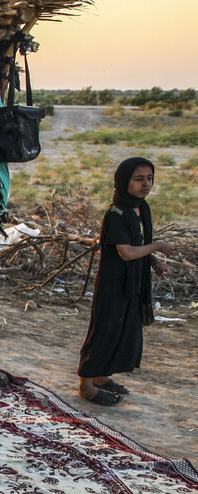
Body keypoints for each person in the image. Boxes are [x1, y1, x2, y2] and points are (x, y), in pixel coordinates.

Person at [77, 156, 175, 405]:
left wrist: (154, 262)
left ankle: (99, 375)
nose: (146, 184)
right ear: (124, 181)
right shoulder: (117, 213)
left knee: (120, 330)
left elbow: (139, 247)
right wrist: (158, 246)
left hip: (133, 283)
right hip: (114, 283)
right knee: (103, 330)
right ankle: (86, 386)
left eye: (150, 179)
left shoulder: (141, 209)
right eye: (139, 179)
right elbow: (126, 252)